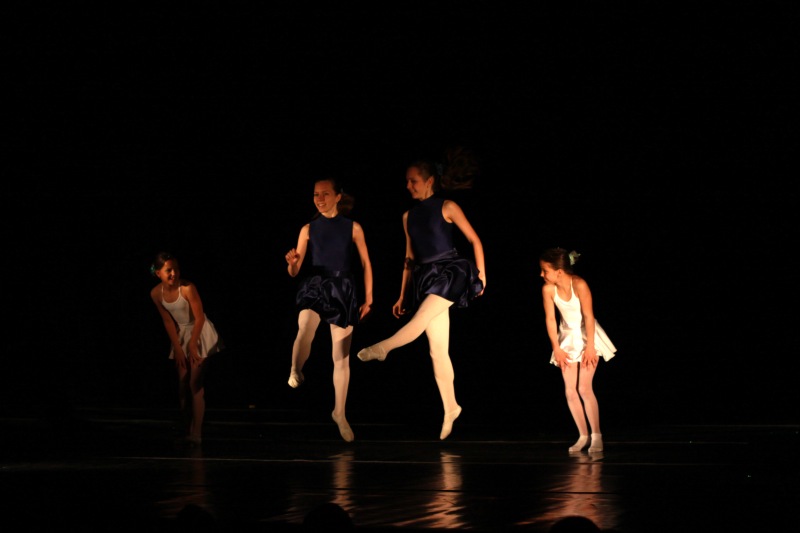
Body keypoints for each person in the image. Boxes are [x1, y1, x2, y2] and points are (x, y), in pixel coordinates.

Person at [357, 159, 486, 440]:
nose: (408, 185)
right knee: (437, 350)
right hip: (426, 276)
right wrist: (402, 294)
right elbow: (409, 258)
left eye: (413, 180)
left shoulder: (447, 206)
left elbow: (475, 240)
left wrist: (482, 275)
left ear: (429, 181)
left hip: (451, 272)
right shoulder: (408, 216)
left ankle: (383, 348)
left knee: (421, 319)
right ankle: (451, 407)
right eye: (407, 181)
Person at [285, 177, 373, 442]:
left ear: (338, 196)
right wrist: (292, 263)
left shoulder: (353, 227)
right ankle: (296, 369)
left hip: (342, 288)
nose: (319, 199)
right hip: (315, 285)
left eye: (325, 194)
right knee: (305, 327)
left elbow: (366, 263)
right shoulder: (308, 229)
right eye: (316, 194)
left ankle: (339, 413)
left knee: (341, 357)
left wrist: (368, 298)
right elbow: (294, 271)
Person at [539, 248, 616, 453]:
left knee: (584, 388)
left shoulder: (579, 284)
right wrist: (556, 348)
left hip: (587, 336)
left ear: (559, 272)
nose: (541, 274)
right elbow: (550, 319)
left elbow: (589, 316)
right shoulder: (548, 289)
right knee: (570, 391)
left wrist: (590, 347)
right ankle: (583, 436)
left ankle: (597, 435)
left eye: (545, 270)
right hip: (566, 339)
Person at [150, 252, 224, 445]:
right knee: (182, 384)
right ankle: (187, 427)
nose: (173, 273)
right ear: (158, 273)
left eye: (176, 269)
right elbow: (168, 321)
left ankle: (196, 433)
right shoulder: (156, 294)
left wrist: (192, 344)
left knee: (194, 383)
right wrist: (178, 347)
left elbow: (199, 318)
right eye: (168, 270)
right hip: (181, 335)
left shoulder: (188, 288)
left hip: (200, 333)